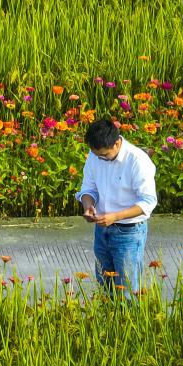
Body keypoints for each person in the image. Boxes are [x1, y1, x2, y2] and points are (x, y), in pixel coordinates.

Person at [75, 119, 157, 295]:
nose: (100, 159)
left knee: (127, 291)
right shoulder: (95, 155)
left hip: (129, 232)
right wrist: (88, 205)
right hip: (102, 229)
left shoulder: (137, 160)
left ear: (117, 143)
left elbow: (148, 201)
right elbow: (88, 188)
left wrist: (115, 217)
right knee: (105, 287)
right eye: (97, 155)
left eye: (104, 155)